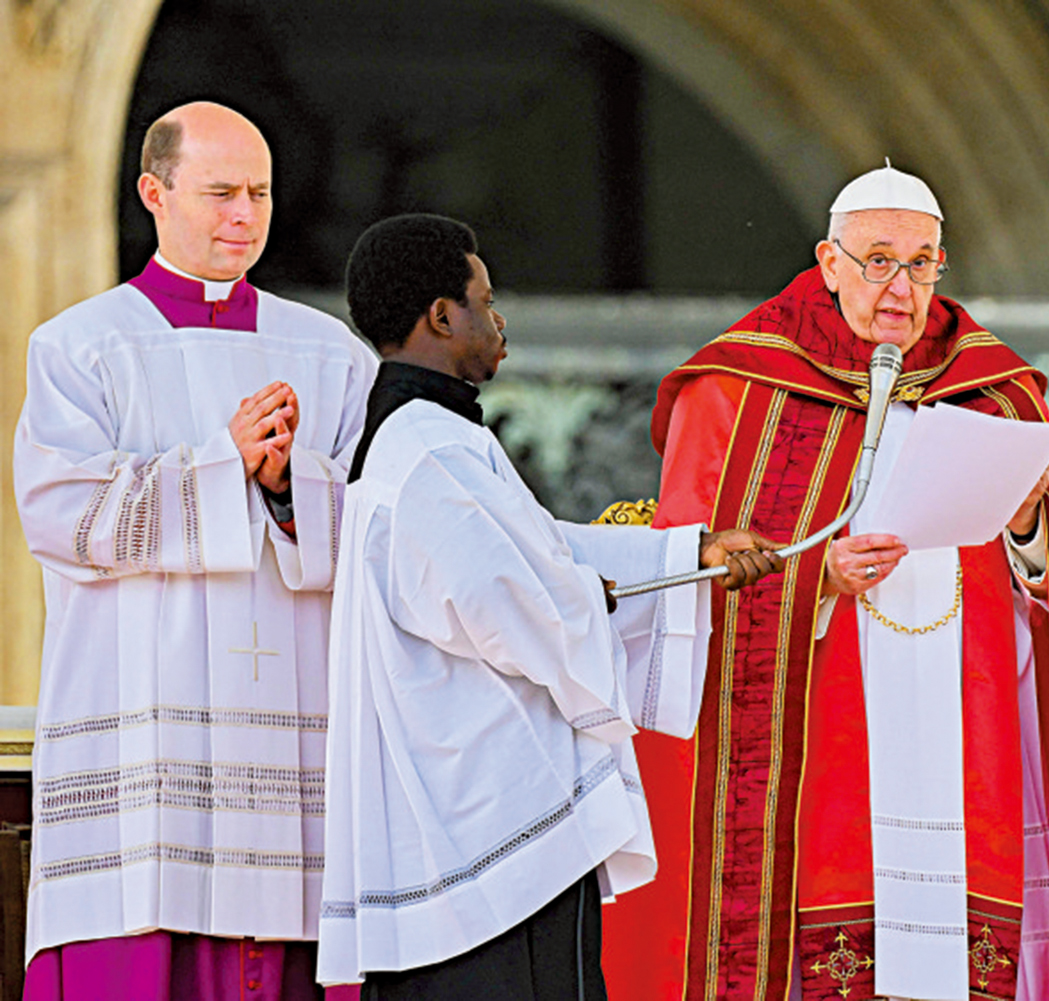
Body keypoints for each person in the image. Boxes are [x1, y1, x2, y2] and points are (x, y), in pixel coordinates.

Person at [601, 164, 1049, 1000]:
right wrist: (817, 579)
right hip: (820, 740)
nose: (902, 285)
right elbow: (684, 581)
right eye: (878, 260)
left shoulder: (995, 390)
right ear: (828, 261)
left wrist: (1032, 525)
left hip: (968, 731)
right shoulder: (738, 389)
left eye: (922, 263)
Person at [315, 213, 782, 998]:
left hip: (476, 830)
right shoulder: (426, 450)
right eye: (484, 301)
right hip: (489, 835)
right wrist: (586, 602)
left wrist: (685, 553)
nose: (498, 322)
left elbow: (539, 551)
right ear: (440, 316)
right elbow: (510, 601)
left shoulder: (429, 438)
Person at [12, 102, 377, 999]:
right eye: (219, 193)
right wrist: (225, 466)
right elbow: (61, 514)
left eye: (258, 193)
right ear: (154, 193)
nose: (243, 215)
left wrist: (291, 488)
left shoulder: (328, 354)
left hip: (290, 751)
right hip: (144, 744)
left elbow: (378, 523)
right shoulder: (80, 347)